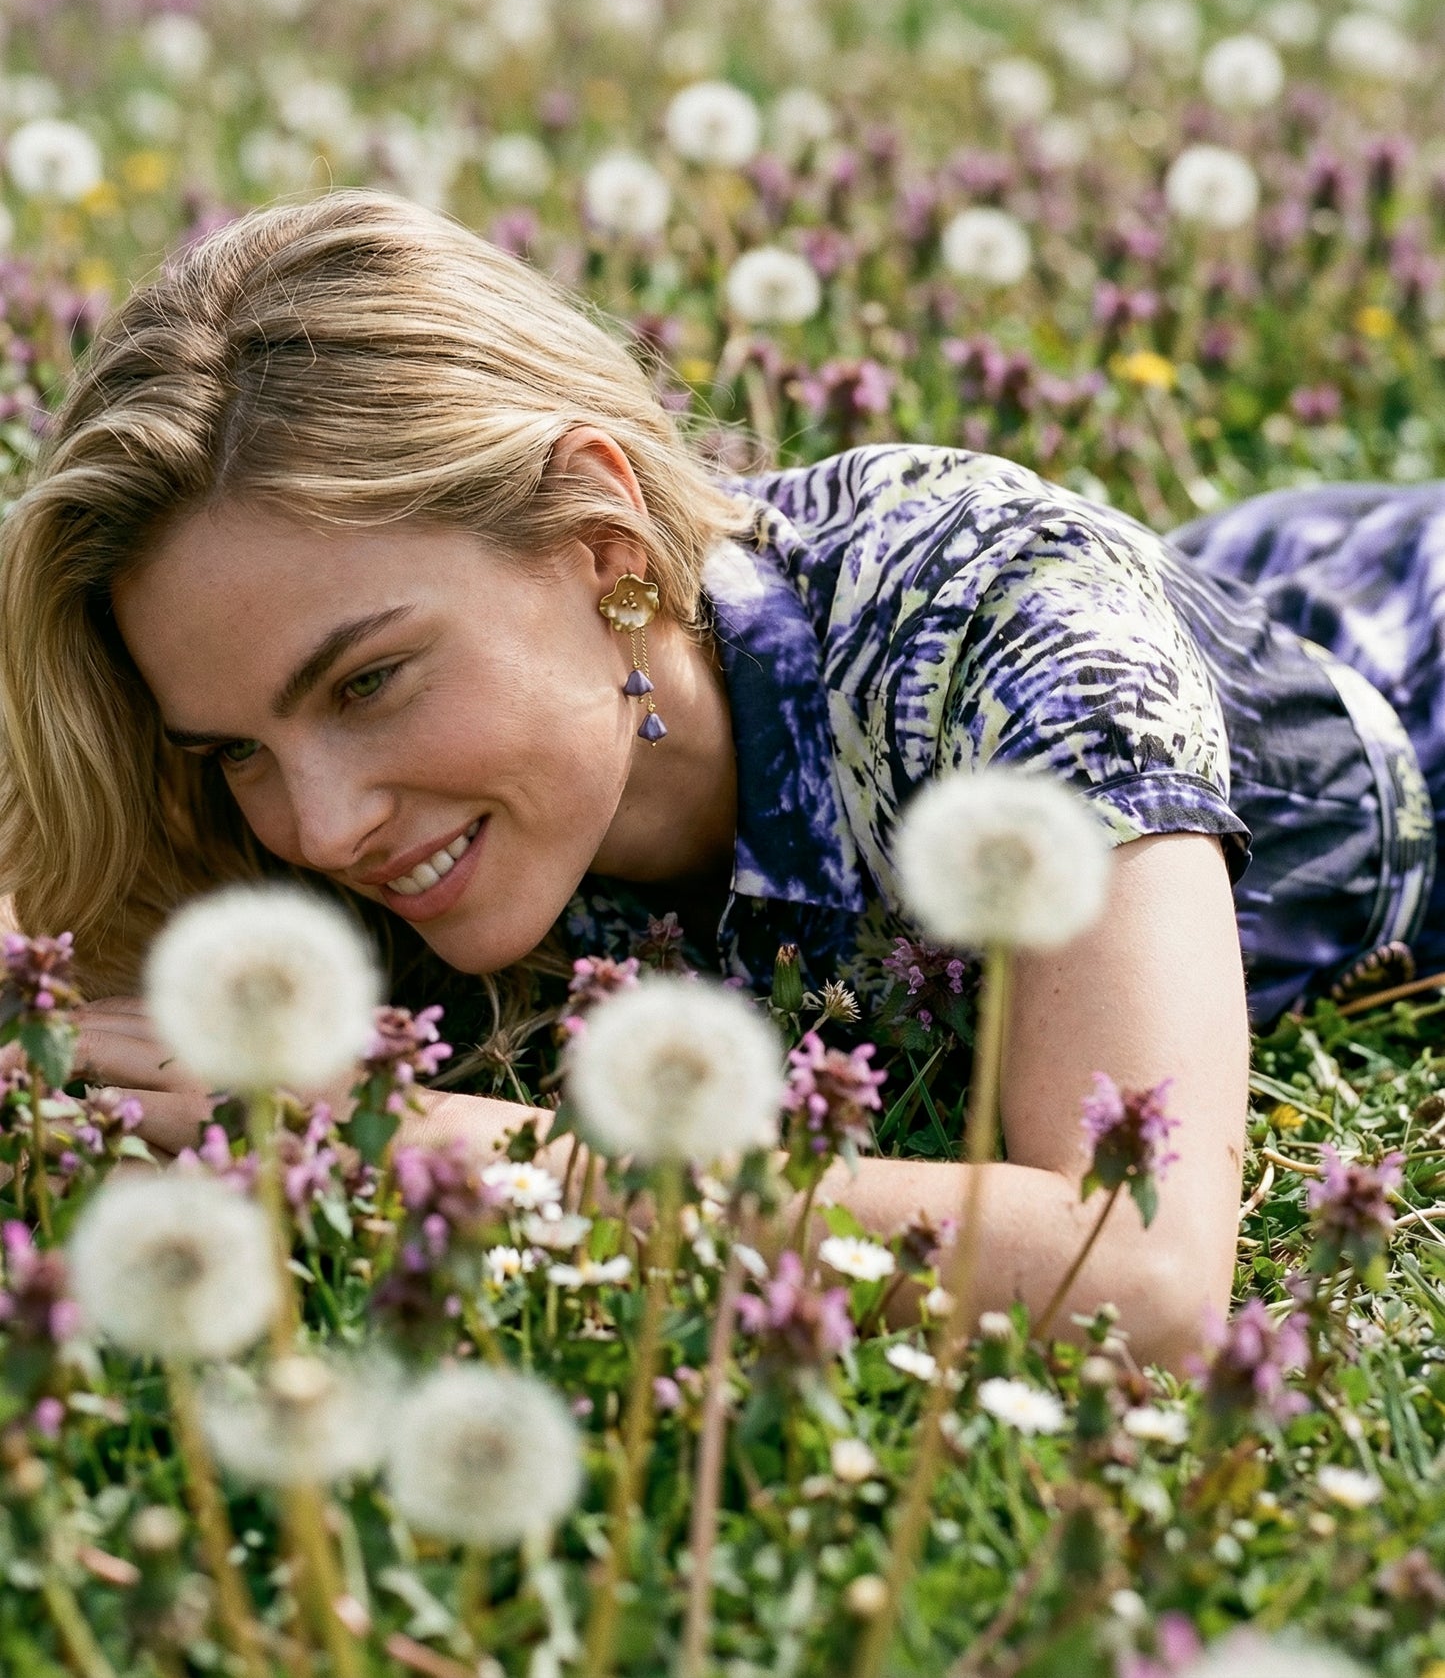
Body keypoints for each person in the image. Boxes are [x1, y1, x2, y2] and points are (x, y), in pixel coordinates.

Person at [1, 189, 1435, 1373]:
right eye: (235, 749)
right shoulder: (302, 811)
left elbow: (1140, 1275)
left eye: (368, 681)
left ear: (603, 541)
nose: (319, 825)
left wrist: (441, 1147)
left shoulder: (1002, 624)